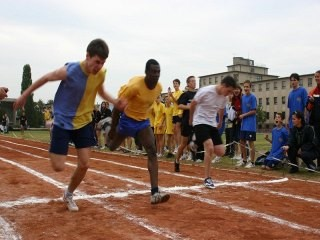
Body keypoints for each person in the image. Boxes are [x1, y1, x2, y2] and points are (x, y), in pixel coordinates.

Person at [14, 39, 126, 212]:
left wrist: (115, 101)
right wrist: (24, 95)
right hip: (63, 122)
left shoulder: (101, 73)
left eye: (102, 63)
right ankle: (53, 130)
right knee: (58, 167)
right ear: (87, 56)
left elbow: (101, 91)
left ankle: (68, 194)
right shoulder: (70, 70)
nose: (99, 66)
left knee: (85, 164)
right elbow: (45, 78)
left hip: (84, 122)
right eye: (97, 62)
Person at [107, 59, 170, 204]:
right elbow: (117, 107)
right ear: (146, 72)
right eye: (153, 72)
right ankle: (109, 132)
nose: (156, 75)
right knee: (112, 146)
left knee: (152, 150)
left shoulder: (158, 88)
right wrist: (112, 130)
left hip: (142, 122)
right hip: (127, 119)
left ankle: (154, 193)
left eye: (158, 72)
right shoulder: (135, 87)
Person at [189, 76, 237, 188]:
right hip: (200, 121)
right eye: (229, 91)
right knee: (209, 147)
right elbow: (193, 104)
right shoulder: (205, 91)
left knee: (221, 152)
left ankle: (196, 141)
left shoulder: (224, 98)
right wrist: (191, 119)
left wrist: (220, 121)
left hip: (212, 123)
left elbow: (221, 109)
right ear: (223, 85)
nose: (229, 94)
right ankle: (207, 178)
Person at [174, 76, 197, 172]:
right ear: (188, 83)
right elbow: (179, 105)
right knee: (183, 143)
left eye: (195, 81)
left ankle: (193, 149)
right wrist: (189, 107)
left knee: (198, 139)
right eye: (192, 81)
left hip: (197, 121)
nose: (194, 83)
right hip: (187, 121)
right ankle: (177, 160)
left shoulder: (198, 94)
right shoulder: (185, 95)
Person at [236, 80, 257, 168]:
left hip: (251, 124)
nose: (245, 88)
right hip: (243, 124)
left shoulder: (253, 97)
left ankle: (252, 162)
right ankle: (244, 160)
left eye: (247, 87)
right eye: (244, 87)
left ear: (250, 87)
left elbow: (254, 111)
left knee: (250, 142)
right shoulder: (243, 97)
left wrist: (244, 115)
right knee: (242, 142)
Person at [306, 70, 320, 170]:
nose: (316, 78)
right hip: (317, 122)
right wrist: (310, 102)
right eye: (315, 77)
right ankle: (319, 164)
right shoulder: (312, 91)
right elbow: (308, 108)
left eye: (318, 76)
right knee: (318, 142)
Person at [168, 79, 183, 154]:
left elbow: (178, 102)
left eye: (176, 83)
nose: (175, 85)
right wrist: (169, 94)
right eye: (174, 83)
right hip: (174, 113)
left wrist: (171, 96)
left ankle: (179, 146)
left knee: (178, 130)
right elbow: (169, 102)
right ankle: (177, 146)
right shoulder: (173, 93)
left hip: (179, 113)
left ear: (179, 84)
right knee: (174, 130)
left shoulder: (180, 92)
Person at [230, 85, 242, 161]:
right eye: (234, 89)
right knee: (234, 137)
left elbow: (243, 109)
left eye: (237, 89)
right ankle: (236, 153)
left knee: (240, 138)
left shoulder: (242, 98)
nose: (236, 91)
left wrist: (238, 113)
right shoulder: (233, 99)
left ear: (240, 90)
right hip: (234, 120)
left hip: (241, 120)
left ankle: (241, 154)